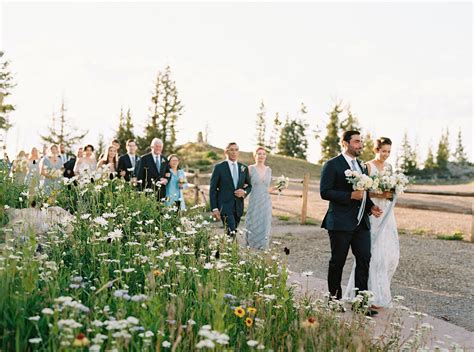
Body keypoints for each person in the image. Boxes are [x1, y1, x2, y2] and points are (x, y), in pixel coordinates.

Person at [320, 130, 382, 315]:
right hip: (340, 222)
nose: (360, 145)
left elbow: (363, 193)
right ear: (345, 143)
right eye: (356, 141)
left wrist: (370, 206)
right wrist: (349, 195)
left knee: (364, 259)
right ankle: (334, 301)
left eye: (361, 141)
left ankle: (360, 304)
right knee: (337, 261)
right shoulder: (332, 165)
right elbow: (325, 192)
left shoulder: (362, 166)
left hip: (361, 222)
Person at [344, 137, 399, 308]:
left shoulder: (389, 167)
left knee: (388, 255)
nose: (386, 155)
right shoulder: (368, 166)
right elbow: (365, 191)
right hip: (373, 211)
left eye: (389, 152)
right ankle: (367, 296)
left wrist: (392, 192)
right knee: (373, 254)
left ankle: (381, 292)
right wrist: (380, 195)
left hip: (387, 214)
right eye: (383, 151)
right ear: (376, 150)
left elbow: (389, 190)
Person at [209, 142, 252, 237]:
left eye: (236, 150)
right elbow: (212, 189)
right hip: (224, 206)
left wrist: (244, 192)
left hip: (238, 206)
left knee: (231, 232)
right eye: (231, 150)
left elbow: (249, 185)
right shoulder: (219, 167)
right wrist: (214, 208)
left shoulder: (243, 168)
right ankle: (232, 250)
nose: (234, 152)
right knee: (231, 232)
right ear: (226, 152)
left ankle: (226, 250)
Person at [244, 146, 273, 249]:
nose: (261, 156)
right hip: (254, 200)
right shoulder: (250, 168)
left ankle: (263, 246)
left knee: (265, 222)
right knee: (252, 221)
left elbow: (268, 188)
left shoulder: (269, 170)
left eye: (264, 154)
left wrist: (280, 187)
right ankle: (251, 245)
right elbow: (245, 184)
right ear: (255, 156)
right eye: (259, 154)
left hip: (266, 200)